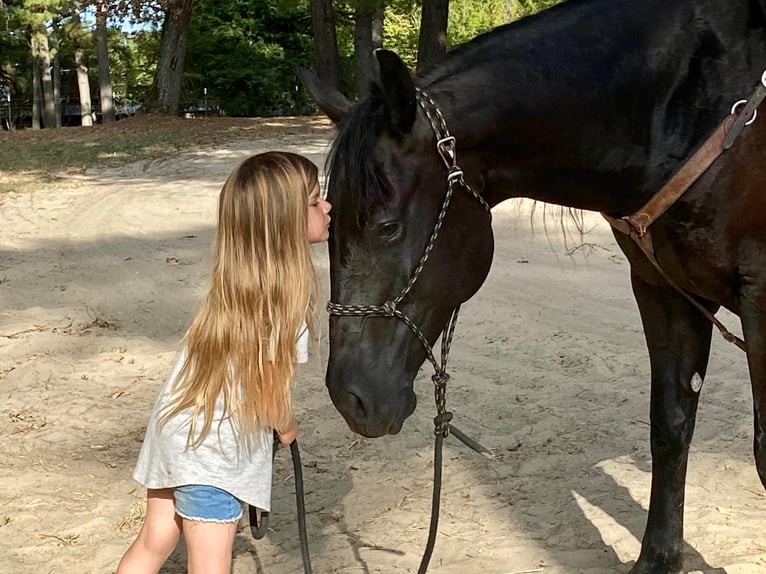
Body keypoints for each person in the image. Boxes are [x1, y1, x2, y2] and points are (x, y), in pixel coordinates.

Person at [116, 151, 331, 574]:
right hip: (213, 456)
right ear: (284, 222)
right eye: (314, 201)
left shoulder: (236, 287)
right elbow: (267, 393)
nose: (327, 207)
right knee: (211, 563)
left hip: (173, 432)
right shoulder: (284, 302)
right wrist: (287, 426)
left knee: (154, 539)